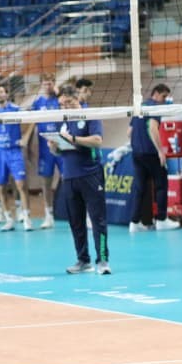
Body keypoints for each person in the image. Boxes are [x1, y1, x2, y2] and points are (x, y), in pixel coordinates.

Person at [50, 85, 111, 274]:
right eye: (62, 105)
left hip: (91, 175)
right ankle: (83, 260)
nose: (65, 107)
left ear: (77, 99)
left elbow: (97, 141)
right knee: (76, 222)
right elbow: (59, 152)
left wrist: (73, 139)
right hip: (69, 177)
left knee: (98, 220)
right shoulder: (62, 120)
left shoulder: (90, 115)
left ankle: (103, 261)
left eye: (68, 103)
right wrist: (54, 146)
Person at [128, 83, 180, 233]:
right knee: (161, 184)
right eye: (164, 96)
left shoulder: (139, 107)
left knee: (139, 187)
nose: (164, 100)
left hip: (137, 153)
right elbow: (152, 128)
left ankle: (134, 223)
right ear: (155, 94)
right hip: (150, 153)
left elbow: (129, 132)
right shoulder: (155, 107)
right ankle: (162, 220)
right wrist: (160, 151)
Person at [0, 84, 32, 231]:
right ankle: (8, 219)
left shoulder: (15, 109)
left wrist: (25, 137)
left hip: (14, 151)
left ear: (7, 94)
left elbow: (32, 120)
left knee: (21, 185)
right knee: (0, 186)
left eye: (1, 92)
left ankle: (26, 217)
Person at [31, 74, 61, 230]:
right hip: (45, 147)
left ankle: (82, 214)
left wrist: (59, 93)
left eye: (50, 83)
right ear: (41, 85)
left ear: (54, 84)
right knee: (46, 183)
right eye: (45, 84)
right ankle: (48, 215)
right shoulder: (37, 103)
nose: (47, 86)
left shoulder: (60, 100)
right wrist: (28, 146)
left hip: (62, 145)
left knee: (70, 180)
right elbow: (32, 124)